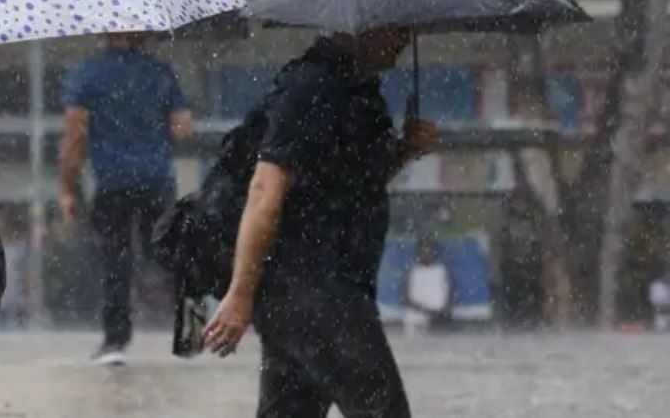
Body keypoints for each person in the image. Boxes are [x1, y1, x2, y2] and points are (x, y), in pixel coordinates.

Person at [202, 29, 438, 418]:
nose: (405, 40)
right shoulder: (312, 86)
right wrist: (240, 294)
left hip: (320, 287)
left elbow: (352, 186)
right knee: (381, 409)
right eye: (397, 28)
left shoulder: (357, 90)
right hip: (315, 288)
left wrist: (404, 151)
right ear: (364, 26)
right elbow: (265, 188)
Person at [58, 32, 194, 365]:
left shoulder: (87, 75)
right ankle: (191, 321)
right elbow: (182, 128)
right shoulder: (160, 72)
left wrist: (67, 187)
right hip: (156, 179)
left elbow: (75, 134)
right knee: (166, 254)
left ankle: (115, 340)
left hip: (112, 182)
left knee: (115, 262)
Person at [401, 239, 453, 336]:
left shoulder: (441, 270)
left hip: (439, 316)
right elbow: (406, 297)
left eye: (430, 252)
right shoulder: (413, 272)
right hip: (417, 315)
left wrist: (441, 311)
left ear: (434, 253)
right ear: (419, 254)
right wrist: (425, 310)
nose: (427, 255)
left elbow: (449, 294)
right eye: (424, 252)